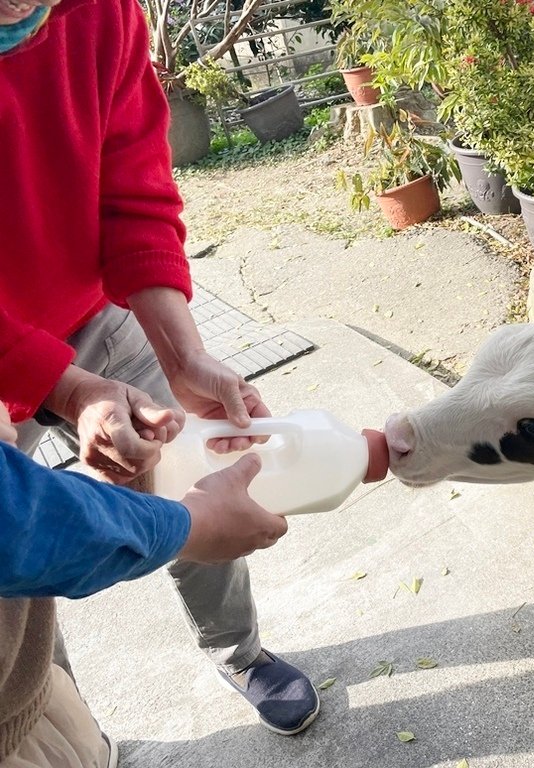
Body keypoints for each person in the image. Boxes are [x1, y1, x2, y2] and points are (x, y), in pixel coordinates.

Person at [0, 0, 319, 738]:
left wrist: (183, 356)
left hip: (90, 309)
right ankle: (52, 726)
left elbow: (132, 188)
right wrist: (65, 386)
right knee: (14, 588)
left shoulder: (102, 11)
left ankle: (238, 651)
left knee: (197, 463)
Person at [0, 401, 289, 768]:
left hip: (32, 697)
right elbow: (24, 522)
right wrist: (191, 525)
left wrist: (72, 388)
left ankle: (239, 658)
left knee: (78, 743)